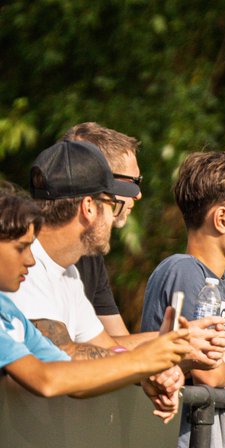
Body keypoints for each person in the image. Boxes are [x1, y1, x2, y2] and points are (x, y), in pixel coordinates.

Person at [0, 179, 191, 396]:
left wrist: (144, 377)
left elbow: (68, 372)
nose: (30, 260)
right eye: (20, 248)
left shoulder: (2, 307)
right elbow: (45, 380)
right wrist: (143, 361)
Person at [139, 151, 225, 388]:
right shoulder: (185, 270)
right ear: (221, 218)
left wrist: (223, 362)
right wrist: (222, 364)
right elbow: (208, 375)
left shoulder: (221, 282)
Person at [61, 122, 143, 336]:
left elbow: (114, 342)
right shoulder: (32, 254)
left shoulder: (89, 252)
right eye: (133, 183)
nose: (138, 195)